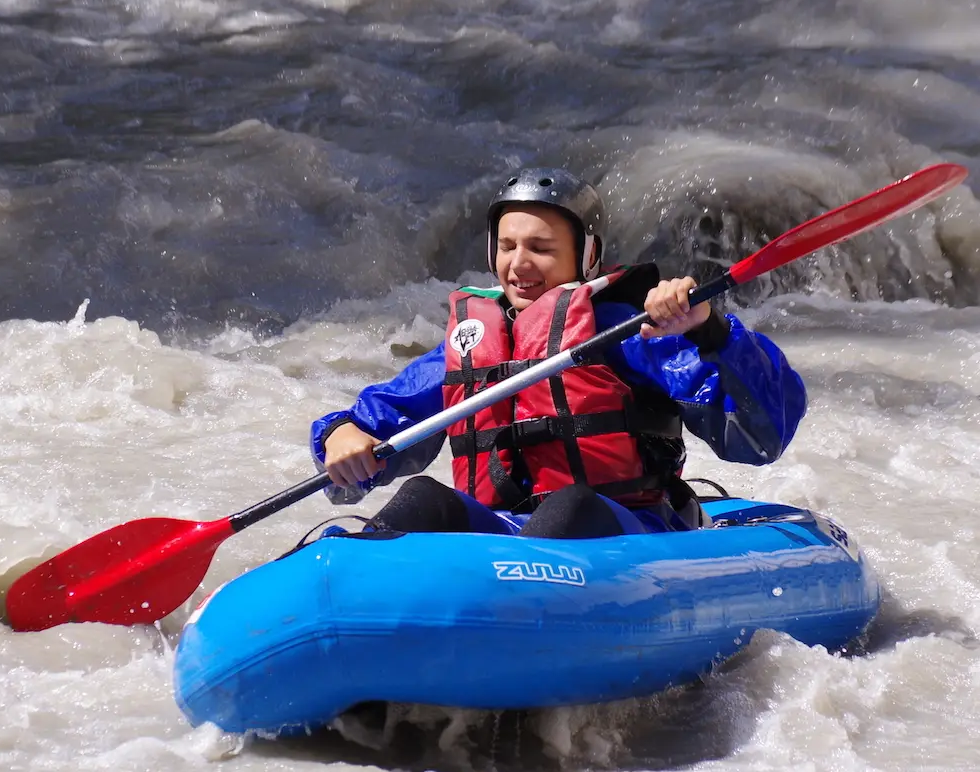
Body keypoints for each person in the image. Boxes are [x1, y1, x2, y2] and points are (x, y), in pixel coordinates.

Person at [310, 167, 806, 539]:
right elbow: (378, 423)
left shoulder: (632, 332)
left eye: (540, 248)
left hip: (623, 530)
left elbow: (761, 436)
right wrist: (341, 435)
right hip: (507, 537)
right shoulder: (469, 345)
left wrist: (709, 329)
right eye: (507, 246)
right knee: (421, 499)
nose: (518, 264)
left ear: (586, 255)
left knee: (571, 507)